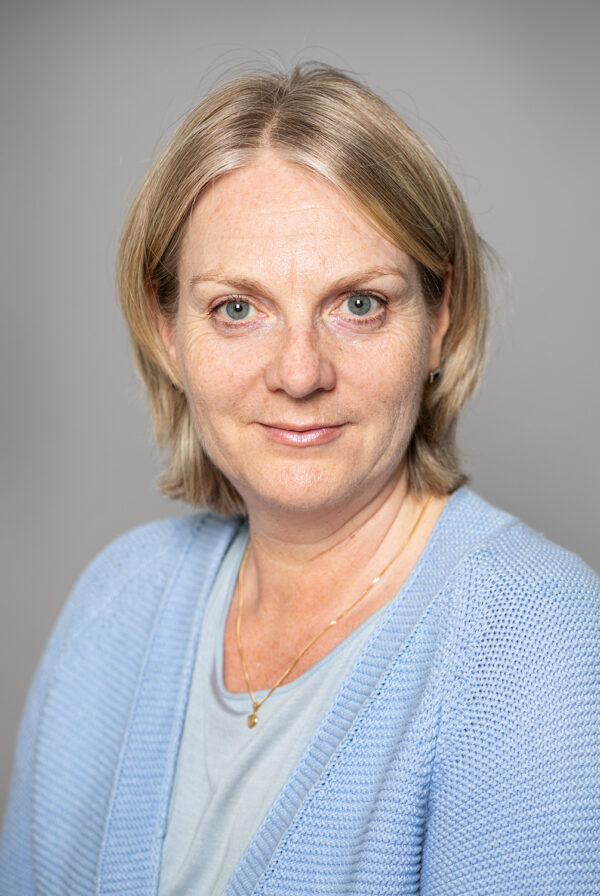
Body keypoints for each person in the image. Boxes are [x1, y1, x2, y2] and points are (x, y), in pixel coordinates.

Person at [1, 63, 599, 896]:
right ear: (167, 331)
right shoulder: (114, 601)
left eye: (358, 303)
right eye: (237, 308)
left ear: (441, 319)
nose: (299, 372)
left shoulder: (541, 643)